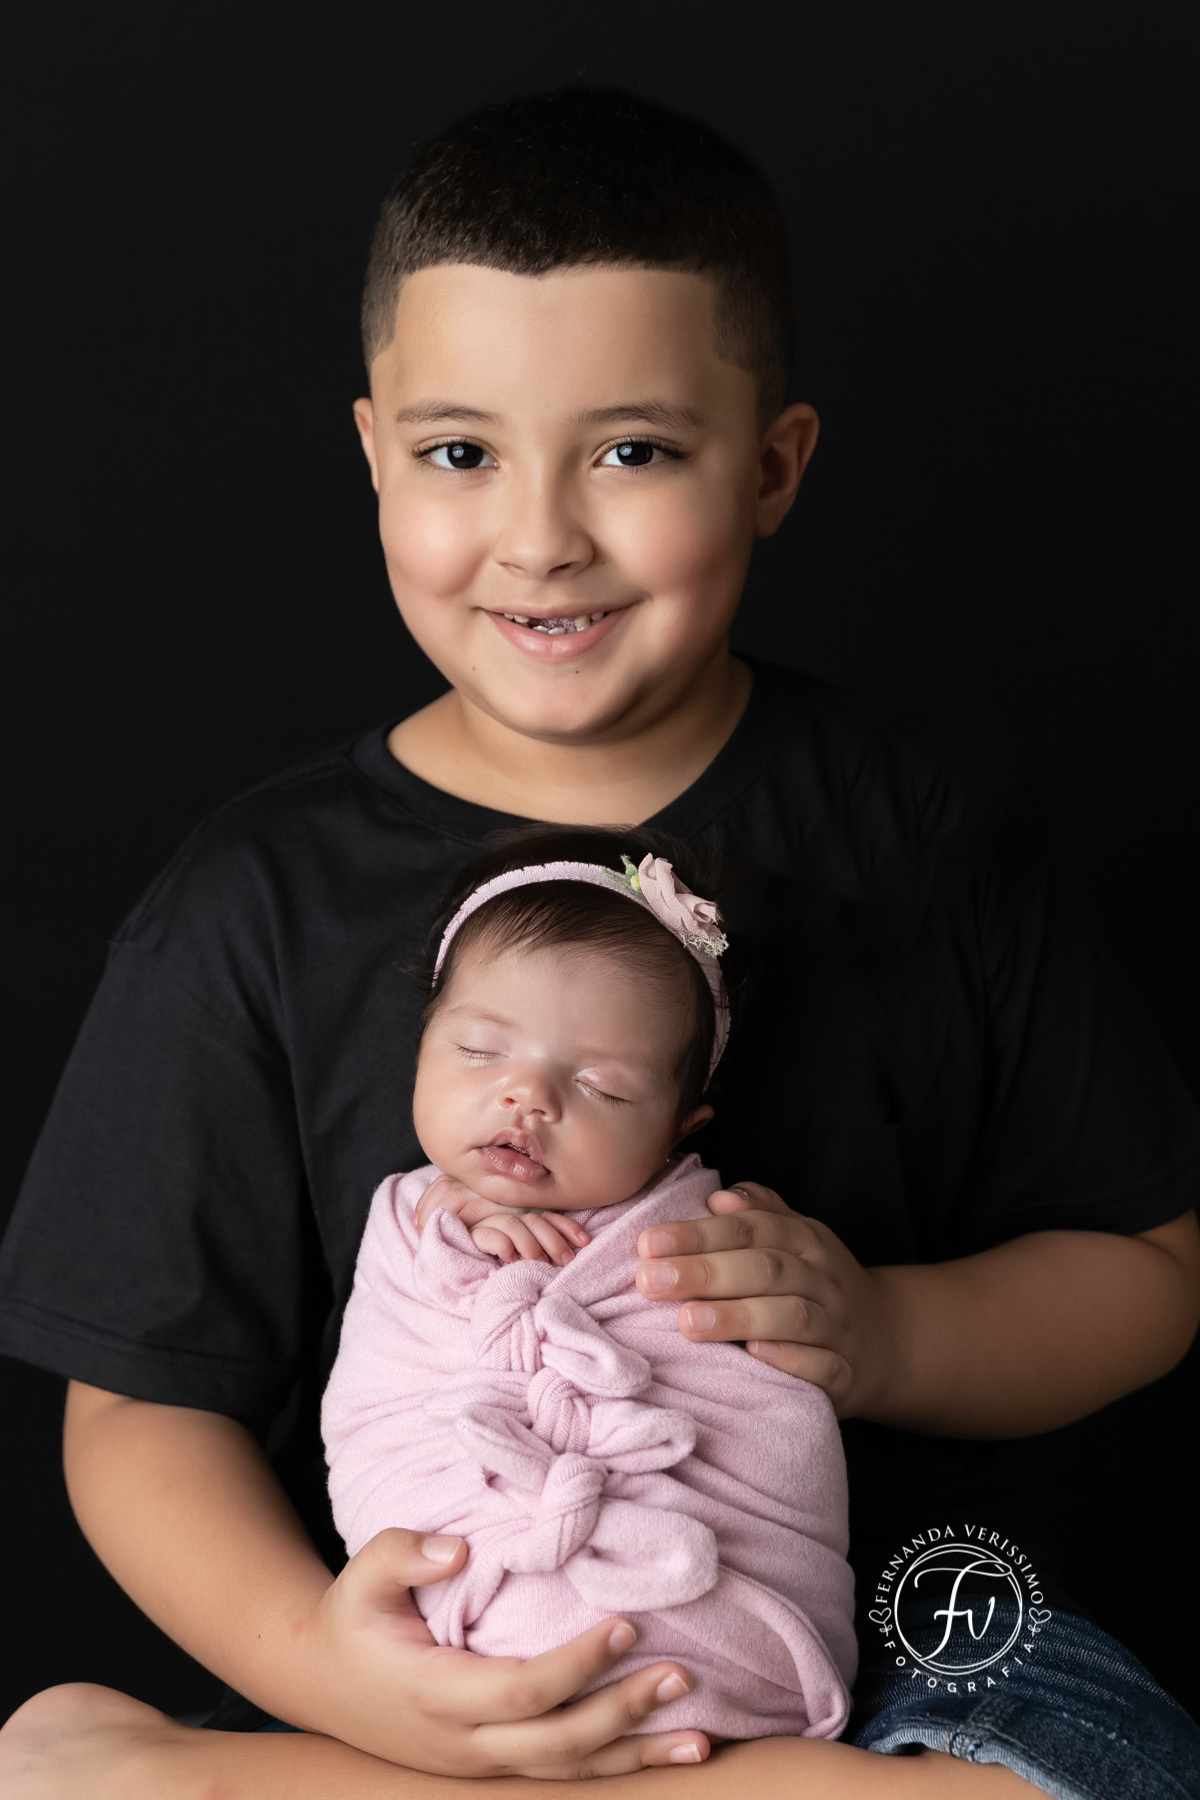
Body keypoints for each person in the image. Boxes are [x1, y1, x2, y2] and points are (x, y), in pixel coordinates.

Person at [2, 85, 1199, 1800]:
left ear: (772, 465)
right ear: (373, 454)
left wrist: (883, 1332)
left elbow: (1149, 1271)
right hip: (437, 1640)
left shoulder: (928, 834)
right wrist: (322, 1668)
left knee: (1095, 1772)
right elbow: (137, 1410)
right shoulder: (254, 900)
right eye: (460, 453)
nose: (542, 534)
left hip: (894, 1624)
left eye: (632, 451)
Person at [321, 829, 858, 1747]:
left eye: (604, 1088)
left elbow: (773, 1427)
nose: (528, 1099)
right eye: (480, 1051)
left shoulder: (707, 1238)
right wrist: (455, 1244)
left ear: (678, 1128)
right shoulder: (406, 1229)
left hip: (699, 1596)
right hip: (465, 1607)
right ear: (421, 1049)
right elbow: (375, 1412)